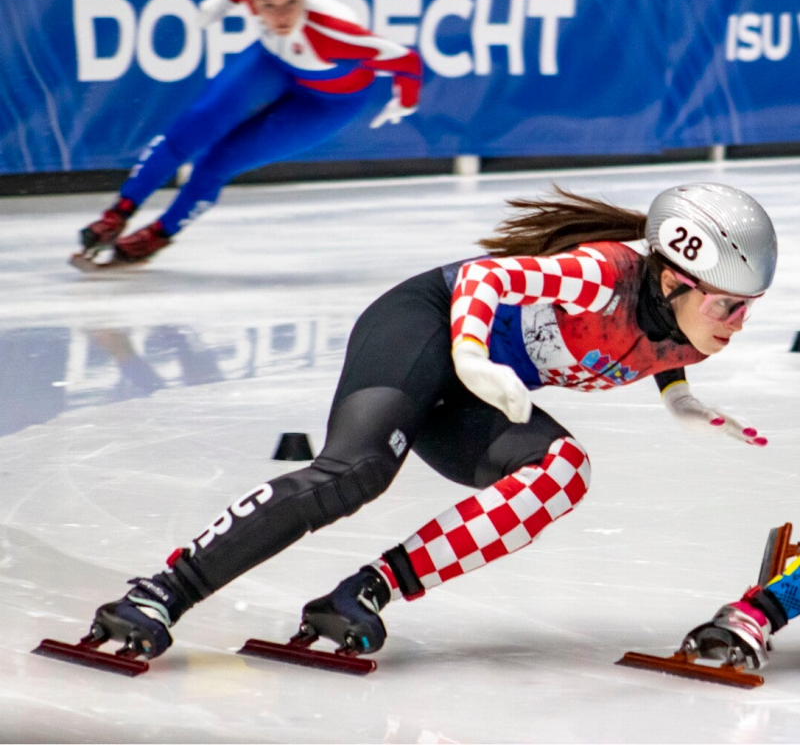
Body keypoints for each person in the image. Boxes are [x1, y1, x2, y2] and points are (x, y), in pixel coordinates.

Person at [85, 182, 779, 663]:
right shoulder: (602, 273)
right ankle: (160, 592)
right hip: (424, 325)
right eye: (728, 307)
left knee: (561, 475)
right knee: (356, 473)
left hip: (477, 384)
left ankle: (364, 591)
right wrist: (473, 356)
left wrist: (677, 398)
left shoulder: (687, 326)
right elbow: (485, 282)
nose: (739, 325)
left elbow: (657, 347)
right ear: (671, 279)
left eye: (749, 306)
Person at [75, 0, 422, 266]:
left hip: (329, 103)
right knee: (193, 127)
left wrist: (404, 101)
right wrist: (221, 5)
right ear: (254, 3)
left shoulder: (334, 33)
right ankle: (117, 214)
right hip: (274, 63)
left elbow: (406, 60)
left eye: (291, 2)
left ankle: (161, 232)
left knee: (220, 160)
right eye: (269, 6)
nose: (281, 15)